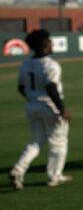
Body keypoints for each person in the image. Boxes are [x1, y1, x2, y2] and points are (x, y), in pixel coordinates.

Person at [9, 29, 72, 190]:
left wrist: (33, 99)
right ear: (44, 44)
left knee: (36, 141)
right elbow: (51, 87)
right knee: (58, 142)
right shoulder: (51, 65)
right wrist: (62, 109)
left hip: (32, 106)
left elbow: (21, 87)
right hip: (49, 107)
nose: (52, 43)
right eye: (49, 40)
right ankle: (54, 176)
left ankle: (18, 169)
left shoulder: (26, 64)